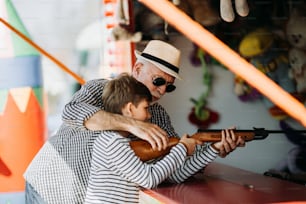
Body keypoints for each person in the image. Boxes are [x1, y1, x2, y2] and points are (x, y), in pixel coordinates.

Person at [23, 40, 244, 204]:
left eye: (169, 86)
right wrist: (132, 125)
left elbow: (171, 171)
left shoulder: (158, 117)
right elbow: (71, 112)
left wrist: (213, 149)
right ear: (138, 69)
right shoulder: (99, 89)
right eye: (158, 80)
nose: (162, 90)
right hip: (49, 185)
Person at [84, 73, 235, 203]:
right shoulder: (111, 142)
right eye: (146, 108)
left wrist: (214, 149)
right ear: (130, 109)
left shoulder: (124, 142)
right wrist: (182, 148)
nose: (150, 115)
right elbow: (149, 179)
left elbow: (175, 175)